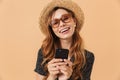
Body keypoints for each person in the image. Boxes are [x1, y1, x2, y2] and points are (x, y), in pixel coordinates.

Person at [34, 0, 95, 80]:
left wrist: (65, 78)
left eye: (65, 18)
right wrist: (52, 77)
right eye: (55, 23)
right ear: (52, 29)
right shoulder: (45, 52)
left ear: (74, 21)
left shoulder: (87, 57)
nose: (62, 24)